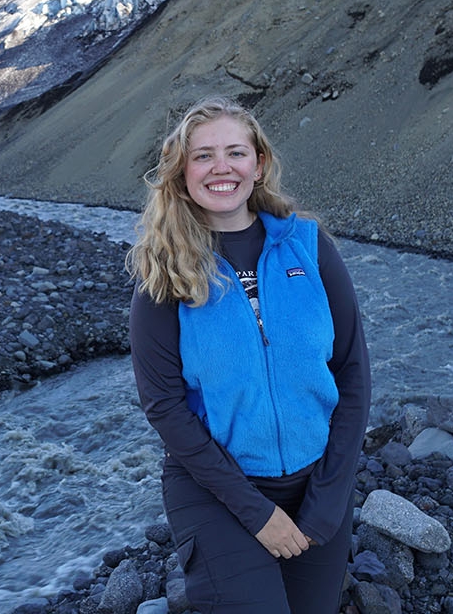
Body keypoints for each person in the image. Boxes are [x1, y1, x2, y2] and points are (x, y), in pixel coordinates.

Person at [127, 95, 371, 613]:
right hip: (216, 491)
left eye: (236, 153)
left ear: (258, 165)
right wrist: (256, 512)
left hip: (316, 479)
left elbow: (352, 372)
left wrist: (330, 497)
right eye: (203, 156)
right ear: (182, 172)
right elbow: (164, 407)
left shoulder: (310, 245)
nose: (222, 168)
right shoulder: (163, 272)